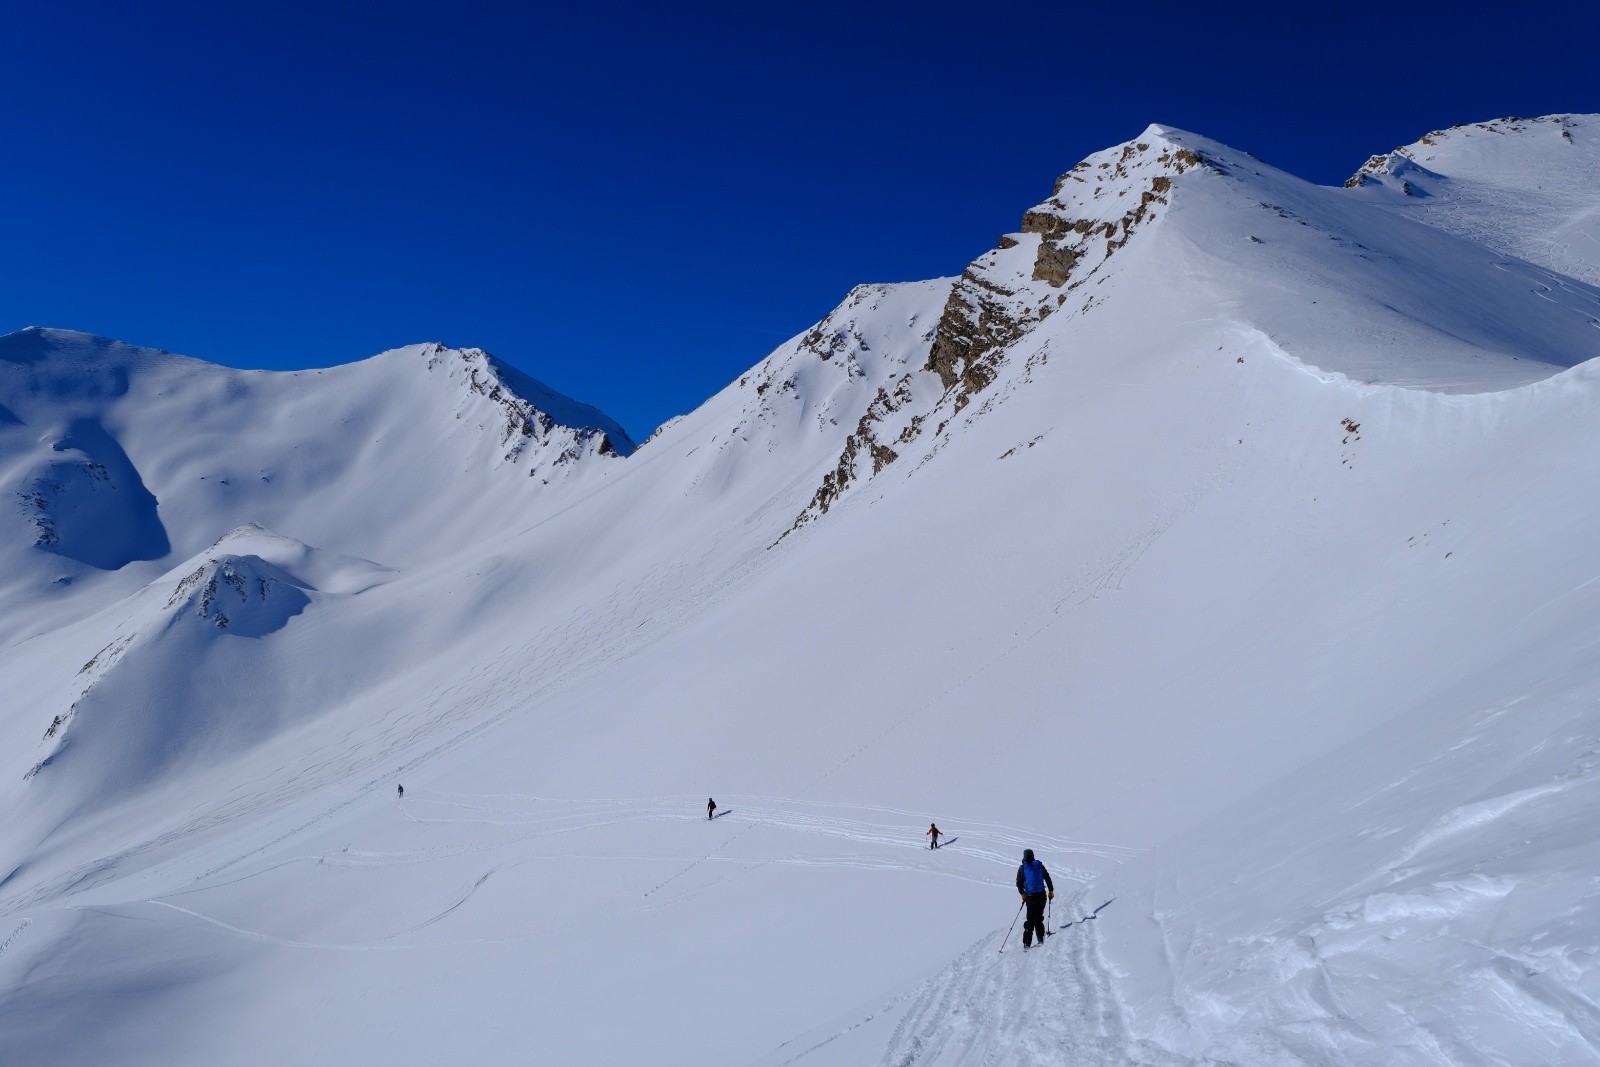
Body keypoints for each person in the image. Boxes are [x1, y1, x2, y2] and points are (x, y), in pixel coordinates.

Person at [1015, 848, 1054, 949]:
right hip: (1041, 896)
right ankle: (1041, 938)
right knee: (1038, 917)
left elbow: (1018, 883)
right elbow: (1047, 877)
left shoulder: (1022, 868)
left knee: (1030, 919)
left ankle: (1027, 944)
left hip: (1030, 897)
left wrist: (1022, 894)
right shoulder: (1039, 865)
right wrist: (1051, 890)